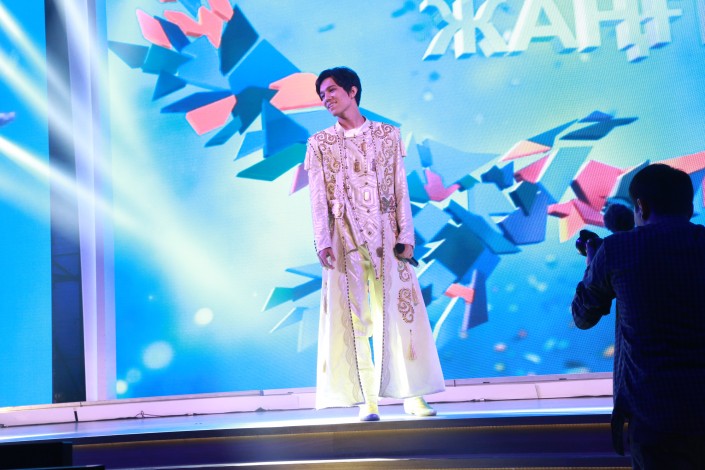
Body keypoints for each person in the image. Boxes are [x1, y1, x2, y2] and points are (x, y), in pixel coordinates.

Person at [304, 66, 445, 421]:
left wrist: (406, 235)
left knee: (399, 314)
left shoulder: (387, 135)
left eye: (331, 90)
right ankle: (367, 400)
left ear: (352, 91)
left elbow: (400, 188)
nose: (326, 98)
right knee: (353, 318)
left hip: (386, 235)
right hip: (344, 236)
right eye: (322, 95)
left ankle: (412, 395)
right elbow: (318, 198)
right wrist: (322, 240)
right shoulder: (320, 143)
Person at [571, 163, 705, 468]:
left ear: (640, 206)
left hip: (654, 418)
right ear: (689, 206)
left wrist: (593, 265)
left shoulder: (615, 251)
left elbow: (582, 316)